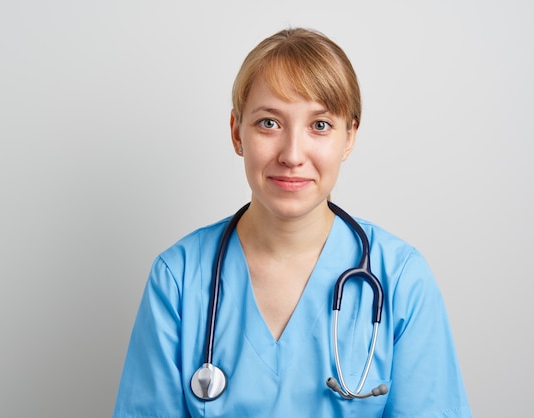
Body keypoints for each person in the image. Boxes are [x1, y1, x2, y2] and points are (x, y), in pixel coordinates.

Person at [113, 28, 471, 417]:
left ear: (349, 137)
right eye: (269, 123)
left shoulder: (400, 279)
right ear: (237, 133)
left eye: (320, 125)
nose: (292, 154)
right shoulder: (179, 278)